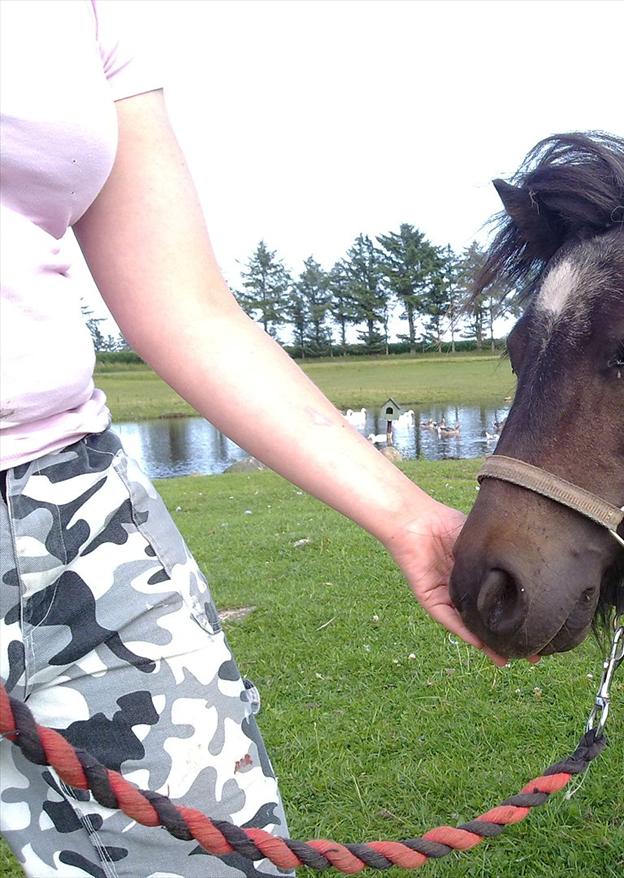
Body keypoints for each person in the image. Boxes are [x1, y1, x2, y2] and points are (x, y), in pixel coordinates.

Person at [0, 3, 503, 875]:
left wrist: (411, 516)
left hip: (77, 503)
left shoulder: (85, 13)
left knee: (221, 857)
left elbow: (189, 308)